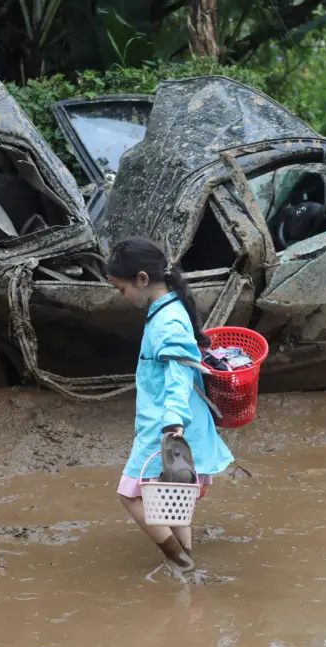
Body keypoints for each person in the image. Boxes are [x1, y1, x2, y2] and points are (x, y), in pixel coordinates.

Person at [107, 236, 234, 573]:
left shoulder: (167, 321)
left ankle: (180, 561)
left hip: (165, 421)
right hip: (174, 417)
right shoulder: (169, 310)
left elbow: (179, 374)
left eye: (121, 289)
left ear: (142, 279)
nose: (122, 296)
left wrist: (173, 420)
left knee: (129, 494)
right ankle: (188, 559)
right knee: (174, 496)